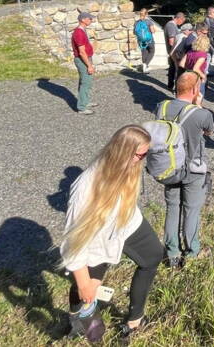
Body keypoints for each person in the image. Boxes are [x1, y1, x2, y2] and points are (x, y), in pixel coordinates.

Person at [60, 125, 163, 340]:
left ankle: (134, 320)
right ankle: (76, 321)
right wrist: (84, 283)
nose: (143, 160)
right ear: (124, 153)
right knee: (86, 285)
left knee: (153, 255)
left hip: (127, 221)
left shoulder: (130, 166)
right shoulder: (86, 187)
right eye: (141, 155)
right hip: (98, 238)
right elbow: (73, 241)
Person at [143, 72, 214, 268]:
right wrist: (199, 105)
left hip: (170, 167)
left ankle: (172, 253)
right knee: (191, 210)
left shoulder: (162, 106)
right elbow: (210, 130)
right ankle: (192, 251)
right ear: (195, 89)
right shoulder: (201, 114)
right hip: (193, 169)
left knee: (173, 208)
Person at [71, 11, 96, 114]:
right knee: (85, 82)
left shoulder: (82, 30)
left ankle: (85, 101)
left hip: (86, 58)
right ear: (83, 20)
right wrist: (89, 65)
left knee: (86, 81)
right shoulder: (79, 33)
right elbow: (81, 52)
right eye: (89, 18)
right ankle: (82, 107)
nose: (91, 20)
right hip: (82, 60)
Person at [180, 31, 210, 101]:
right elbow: (195, 68)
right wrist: (204, 76)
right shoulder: (203, 54)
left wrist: (188, 69)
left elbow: (181, 64)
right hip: (197, 78)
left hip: (188, 75)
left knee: (188, 97)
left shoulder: (190, 52)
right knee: (198, 98)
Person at [164, 11, 186, 91]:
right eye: (182, 21)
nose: (182, 23)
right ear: (179, 18)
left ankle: (171, 86)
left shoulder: (172, 25)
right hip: (174, 52)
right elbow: (171, 41)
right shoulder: (171, 26)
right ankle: (175, 88)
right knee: (176, 70)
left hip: (172, 52)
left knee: (172, 69)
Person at [133, 9, 157, 74]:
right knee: (152, 51)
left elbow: (134, 32)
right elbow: (152, 31)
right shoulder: (149, 21)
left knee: (144, 52)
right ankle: (145, 65)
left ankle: (145, 68)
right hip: (149, 40)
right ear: (146, 14)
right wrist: (155, 30)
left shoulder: (136, 22)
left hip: (141, 40)